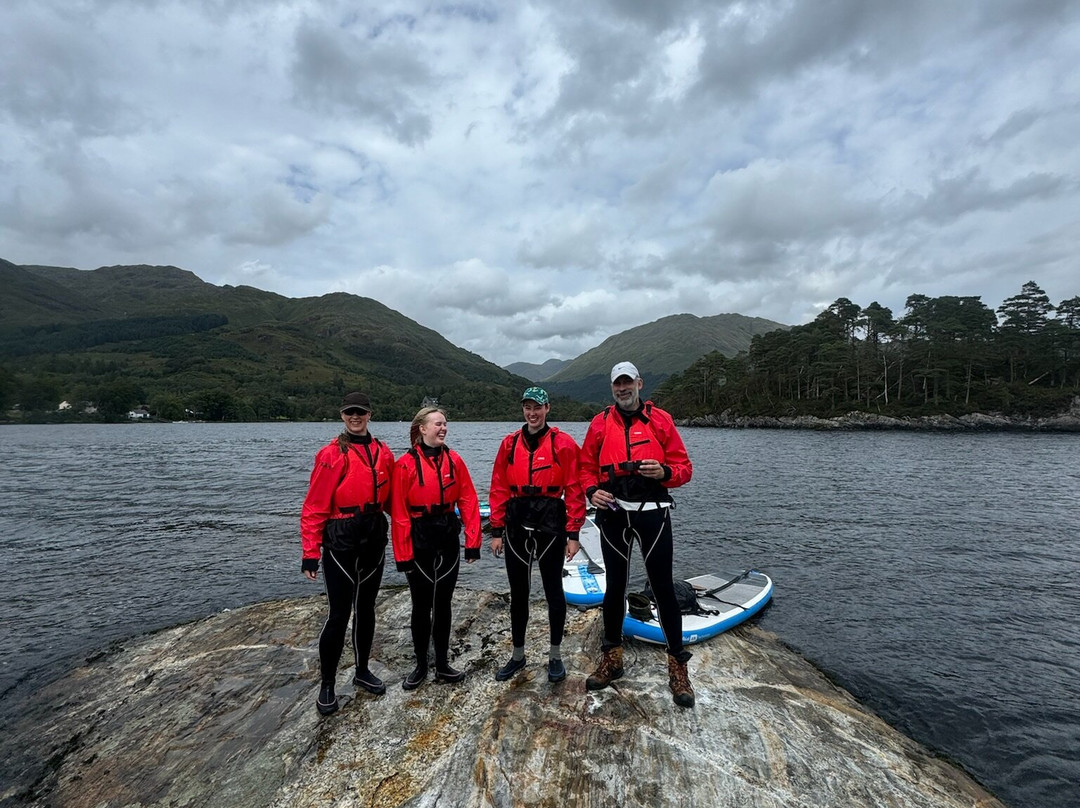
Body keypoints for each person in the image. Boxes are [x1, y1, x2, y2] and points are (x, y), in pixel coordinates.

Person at [579, 362, 695, 707]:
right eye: (618, 384)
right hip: (613, 514)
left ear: (639, 384)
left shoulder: (661, 421)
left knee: (662, 587)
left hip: (652, 515)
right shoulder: (600, 423)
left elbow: (684, 469)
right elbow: (586, 467)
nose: (623, 389)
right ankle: (612, 659)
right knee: (614, 586)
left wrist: (664, 471)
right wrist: (590, 491)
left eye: (628, 383)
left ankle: (677, 667)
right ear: (612, 387)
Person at [301, 392, 395, 716]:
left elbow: (393, 501)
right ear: (342, 416)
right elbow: (314, 507)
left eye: (361, 412)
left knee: (366, 608)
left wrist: (423, 526)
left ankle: (362, 671)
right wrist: (310, 553)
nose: (355, 417)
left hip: (373, 538)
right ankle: (327, 684)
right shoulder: (331, 454)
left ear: (370, 414)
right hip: (341, 541)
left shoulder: (383, 453)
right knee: (339, 614)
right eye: (349, 412)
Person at [488, 387, 586, 683]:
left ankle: (555, 656)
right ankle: (518, 656)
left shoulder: (564, 444)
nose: (532, 413)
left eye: (537, 407)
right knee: (519, 593)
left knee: (553, 590)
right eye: (527, 407)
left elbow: (575, 489)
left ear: (547, 409)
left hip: (550, 521)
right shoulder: (509, 444)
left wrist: (573, 533)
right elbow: (498, 487)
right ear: (523, 410)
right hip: (517, 521)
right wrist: (496, 531)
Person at [390, 406, 482, 690]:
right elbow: (399, 512)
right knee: (421, 605)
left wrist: (473, 542)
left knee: (443, 604)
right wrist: (403, 555)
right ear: (422, 429)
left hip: (447, 538)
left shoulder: (454, 460)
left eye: (445, 424)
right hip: (419, 540)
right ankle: (420, 665)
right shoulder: (404, 465)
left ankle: (441, 663)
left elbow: (468, 499)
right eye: (438, 424)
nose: (443, 428)